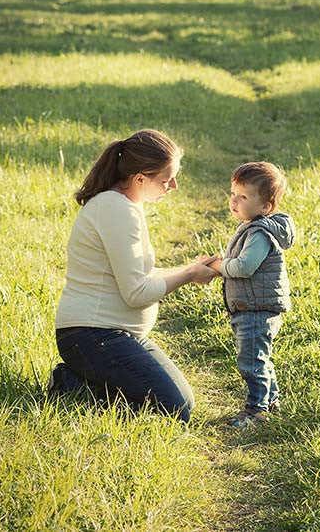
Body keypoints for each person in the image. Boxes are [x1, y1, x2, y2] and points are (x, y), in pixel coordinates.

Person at [48, 129, 218, 423]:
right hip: (92, 335)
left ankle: (83, 379)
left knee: (183, 401)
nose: (174, 186)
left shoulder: (124, 205)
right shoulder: (116, 210)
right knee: (175, 411)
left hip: (112, 335)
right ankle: (71, 386)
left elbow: (141, 273)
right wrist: (189, 274)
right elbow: (137, 293)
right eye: (166, 180)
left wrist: (191, 267)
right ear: (140, 178)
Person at [206, 162, 295, 428]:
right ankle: (271, 403)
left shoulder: (259, 233)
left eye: (243, 196)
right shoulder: (252, 226)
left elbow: (245, 267)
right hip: (253, 306)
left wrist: (219, 266)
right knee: (260, 358)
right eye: (233, 193)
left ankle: (256, 412)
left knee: (251, 361)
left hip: (256, 309)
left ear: (265, 207)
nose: (233, 200)